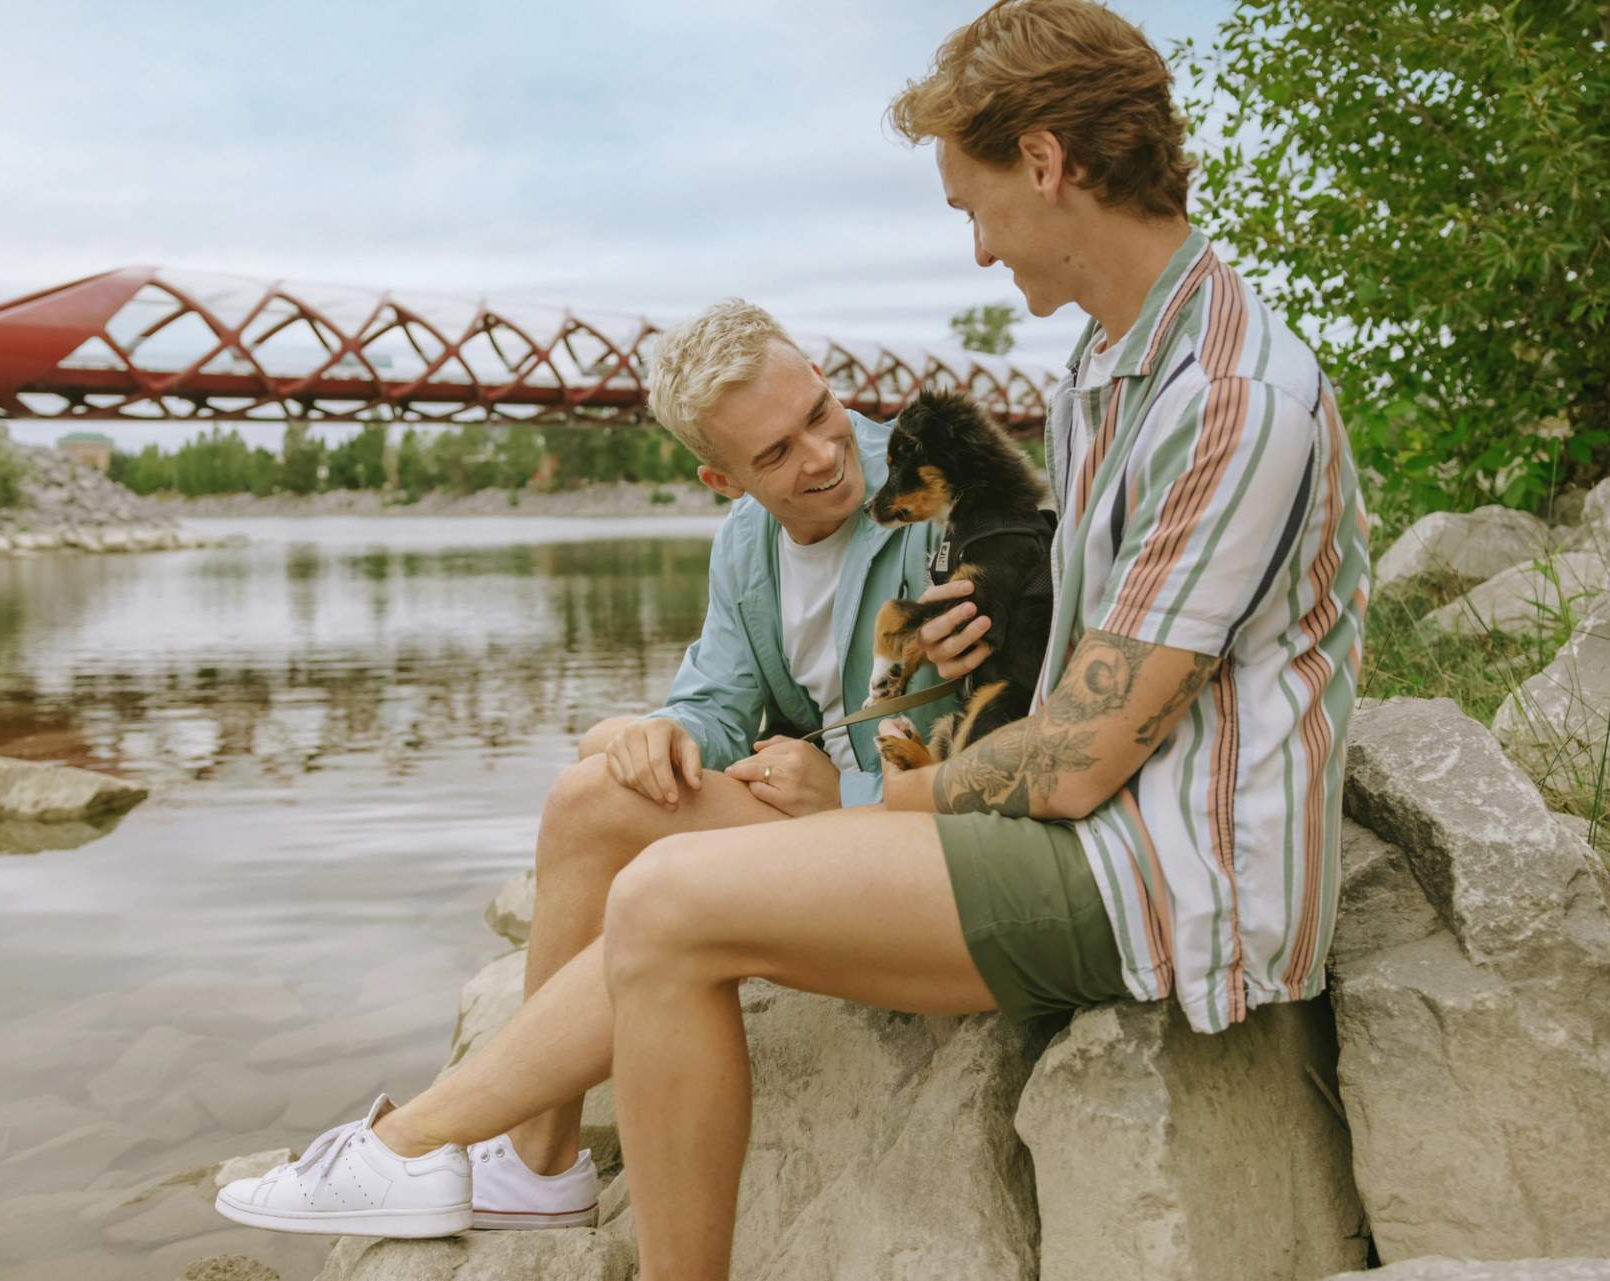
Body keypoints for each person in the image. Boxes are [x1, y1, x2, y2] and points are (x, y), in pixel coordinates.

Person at [218, 2, 1371, 1276]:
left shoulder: (1226, 396)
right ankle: (496, 1163)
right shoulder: (1112, 371)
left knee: (666, 903)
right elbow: (1051, 706)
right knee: (613, 833)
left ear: (1046, 163)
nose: (981, 250)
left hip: (1163, 880)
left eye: (971, 206)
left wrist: (879, 806)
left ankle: (409, 1146)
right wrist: (736, 760)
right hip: (1073, 830)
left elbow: (1084, 755)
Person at [212, 300, 974, 1237]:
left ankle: (421, 1142)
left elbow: (999, 744)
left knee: (635, 851)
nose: (822, 454)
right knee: (591, 795)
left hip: (924, 848)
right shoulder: (747, 543)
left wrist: (845, 791)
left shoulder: (943, 495)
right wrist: (658, 732)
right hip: (826, 830)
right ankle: (538, 1163)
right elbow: (718, 704)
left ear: (821, 378)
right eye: (774, 453)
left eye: (819, 412)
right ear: (721, 478)